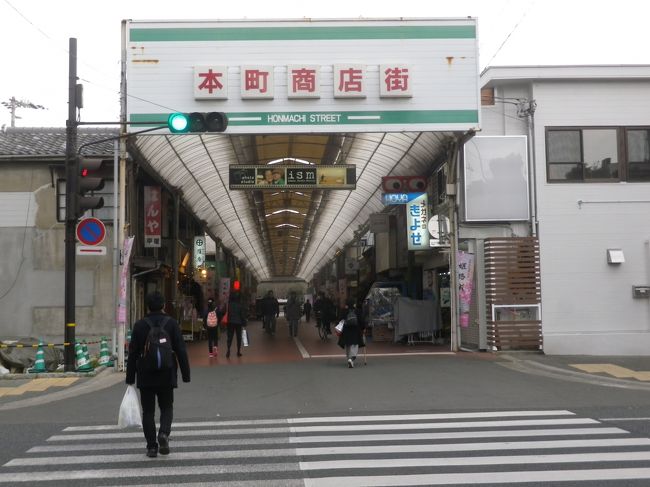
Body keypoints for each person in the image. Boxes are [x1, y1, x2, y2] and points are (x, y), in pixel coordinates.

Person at [126, 291, 190, 458]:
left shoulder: (139, 325)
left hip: (145, 374)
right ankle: (163, 434)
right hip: (167, 373)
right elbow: (181, 350)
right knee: (166, 407)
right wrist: (185, 374)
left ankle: (151, 447)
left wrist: (130, 377)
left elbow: (132, 353)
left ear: (147, 306)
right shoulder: (171, 323)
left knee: (148, 411)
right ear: (163, 305)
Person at [337, 299, 366, 368]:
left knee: (348, 345)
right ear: (353, 304)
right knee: (354, 345)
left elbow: (340, 320)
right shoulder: (357, 311)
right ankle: (351, 359)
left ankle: (349, 359)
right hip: (355, 331)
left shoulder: (344, 311)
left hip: (346, 331)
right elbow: (361, 321)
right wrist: (363, 328)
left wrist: (339, 329)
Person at [225, 291, 247, 358]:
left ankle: (228, 349)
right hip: (238, 323)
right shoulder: (240, 305)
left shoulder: (229, 305)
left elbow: (224, 312)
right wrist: (244, 322)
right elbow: (242, 315)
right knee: (238, 337)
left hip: (230, 322)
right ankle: (238, 351)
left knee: (230, 337)